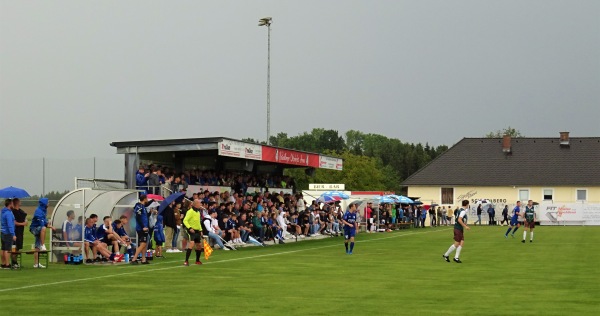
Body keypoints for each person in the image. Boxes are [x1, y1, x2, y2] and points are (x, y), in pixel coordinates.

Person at [183, 199, 204, 266]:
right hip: (191, 231)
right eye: (199, 203)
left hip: (197, 231)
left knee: (199, 246)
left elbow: (198, 223)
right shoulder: (190, 211)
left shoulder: (198, 212)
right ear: (195, 204)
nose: (200, 204)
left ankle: (197, 260)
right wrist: (189, 228)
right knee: (191, 244)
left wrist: (201, 230)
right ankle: (186, 261)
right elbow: (185, 220)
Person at [131, 195, 150, 264]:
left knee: (144, 244)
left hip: (144, 227)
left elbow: (144, 217)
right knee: (143, 244)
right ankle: (134, 258)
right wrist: (143, 227)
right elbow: (138, 217)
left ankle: (143, 259)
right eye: (147, 198)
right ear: (144, 199)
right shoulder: (139, 207)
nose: (147, 200)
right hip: (141, 228)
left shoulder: (143, 207)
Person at [11, 198, 27, 268]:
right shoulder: (13, 212)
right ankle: (13, 262)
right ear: (17, 202)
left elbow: (25, 217)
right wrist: (23, 224)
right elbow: (15, 223)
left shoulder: (20, 211)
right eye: (19, 201)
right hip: (15, 232)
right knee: (14, 247)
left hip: (20, 232)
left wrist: (25, 221)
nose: (21, 202)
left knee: (18, 248)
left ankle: (16, 262)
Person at [1, 199, 17, 270]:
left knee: (3, 248)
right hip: (8, 233)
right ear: (10, 204)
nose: (13, 205)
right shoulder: (8, 213)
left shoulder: (2, 212)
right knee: (8, 249)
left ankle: (3, 263)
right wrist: (13, 234)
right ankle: (7, 264)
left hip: (2, 232)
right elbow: (10, 224)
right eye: (12, 204)